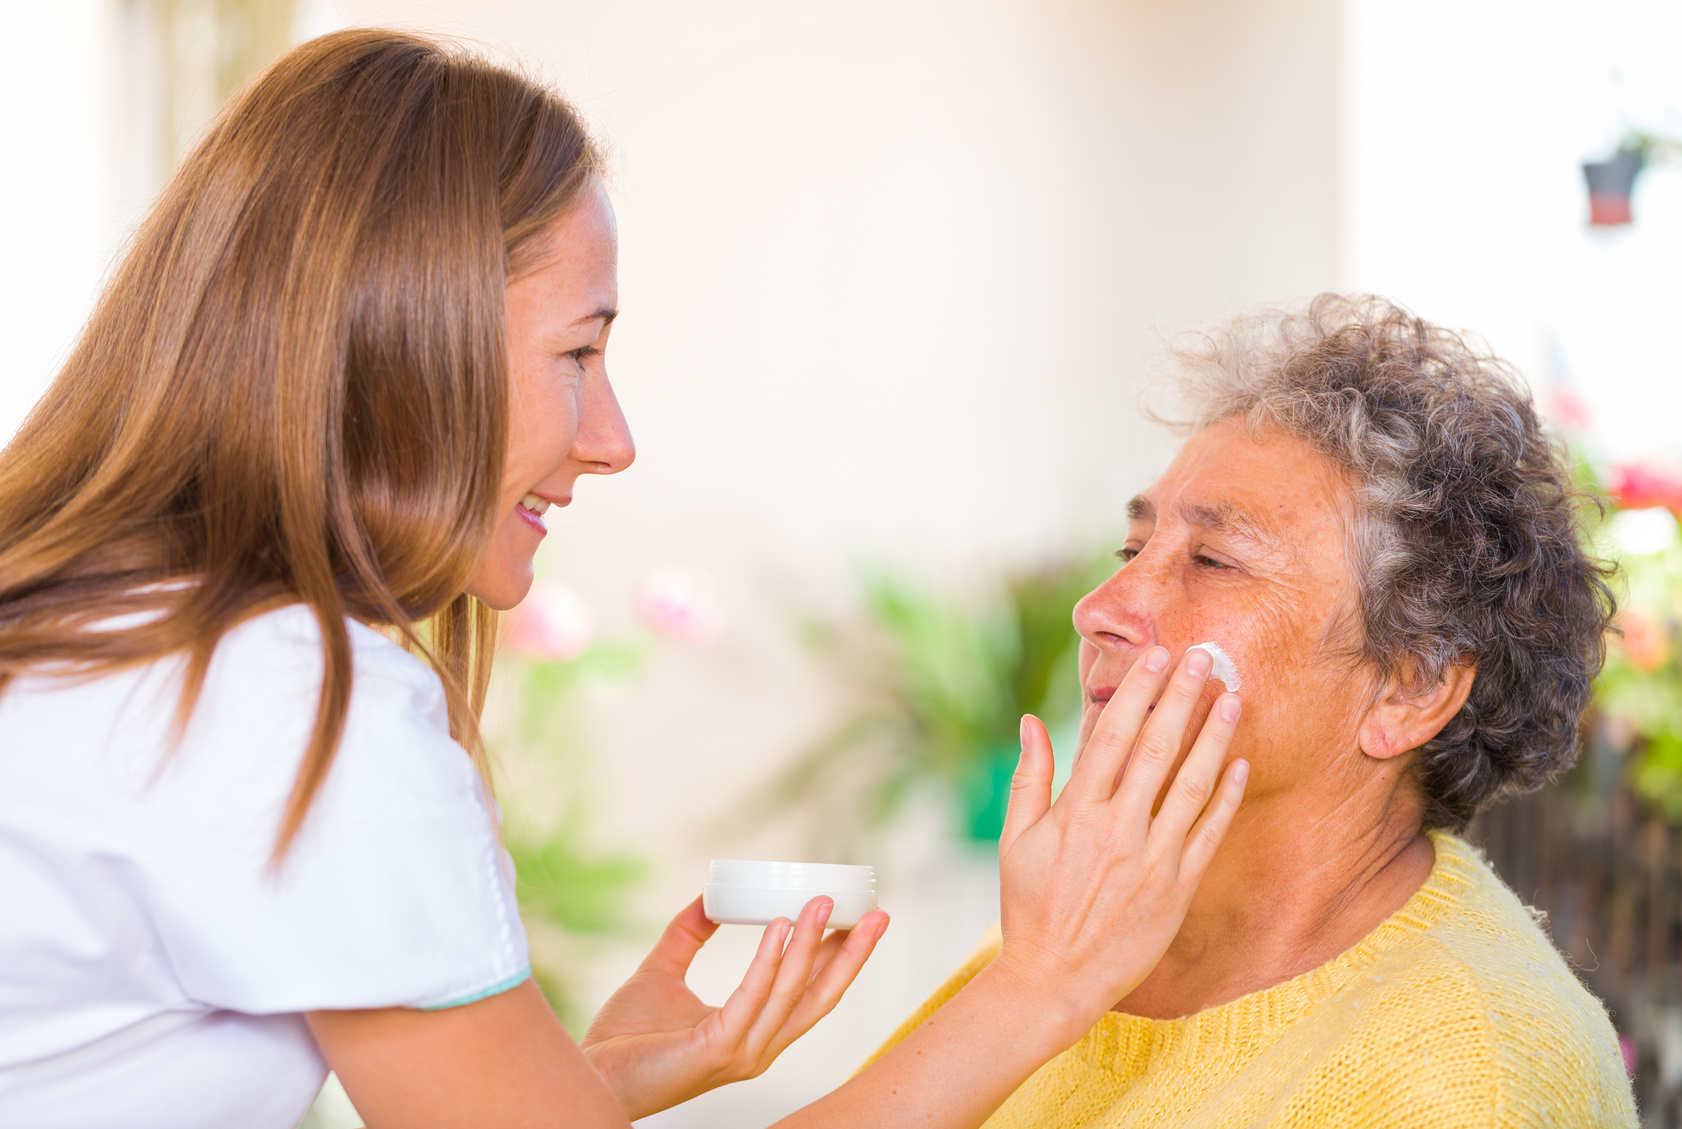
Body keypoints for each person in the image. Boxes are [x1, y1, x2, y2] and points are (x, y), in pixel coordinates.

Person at [0, 29, 1250, 1129]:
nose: (612, 438)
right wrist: (1041, 987)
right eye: (576, 354)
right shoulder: (295, 700)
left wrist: (587, 1080)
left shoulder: (106, 625)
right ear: (403, 346)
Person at [870, 295, 1639, 1126]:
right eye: (1133, 549)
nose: (1098, 607)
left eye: (1213, 560)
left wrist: (1035, 980)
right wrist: (1033, 981)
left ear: (1411, 685)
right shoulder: (1076, 949)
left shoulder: (1466, 1080)